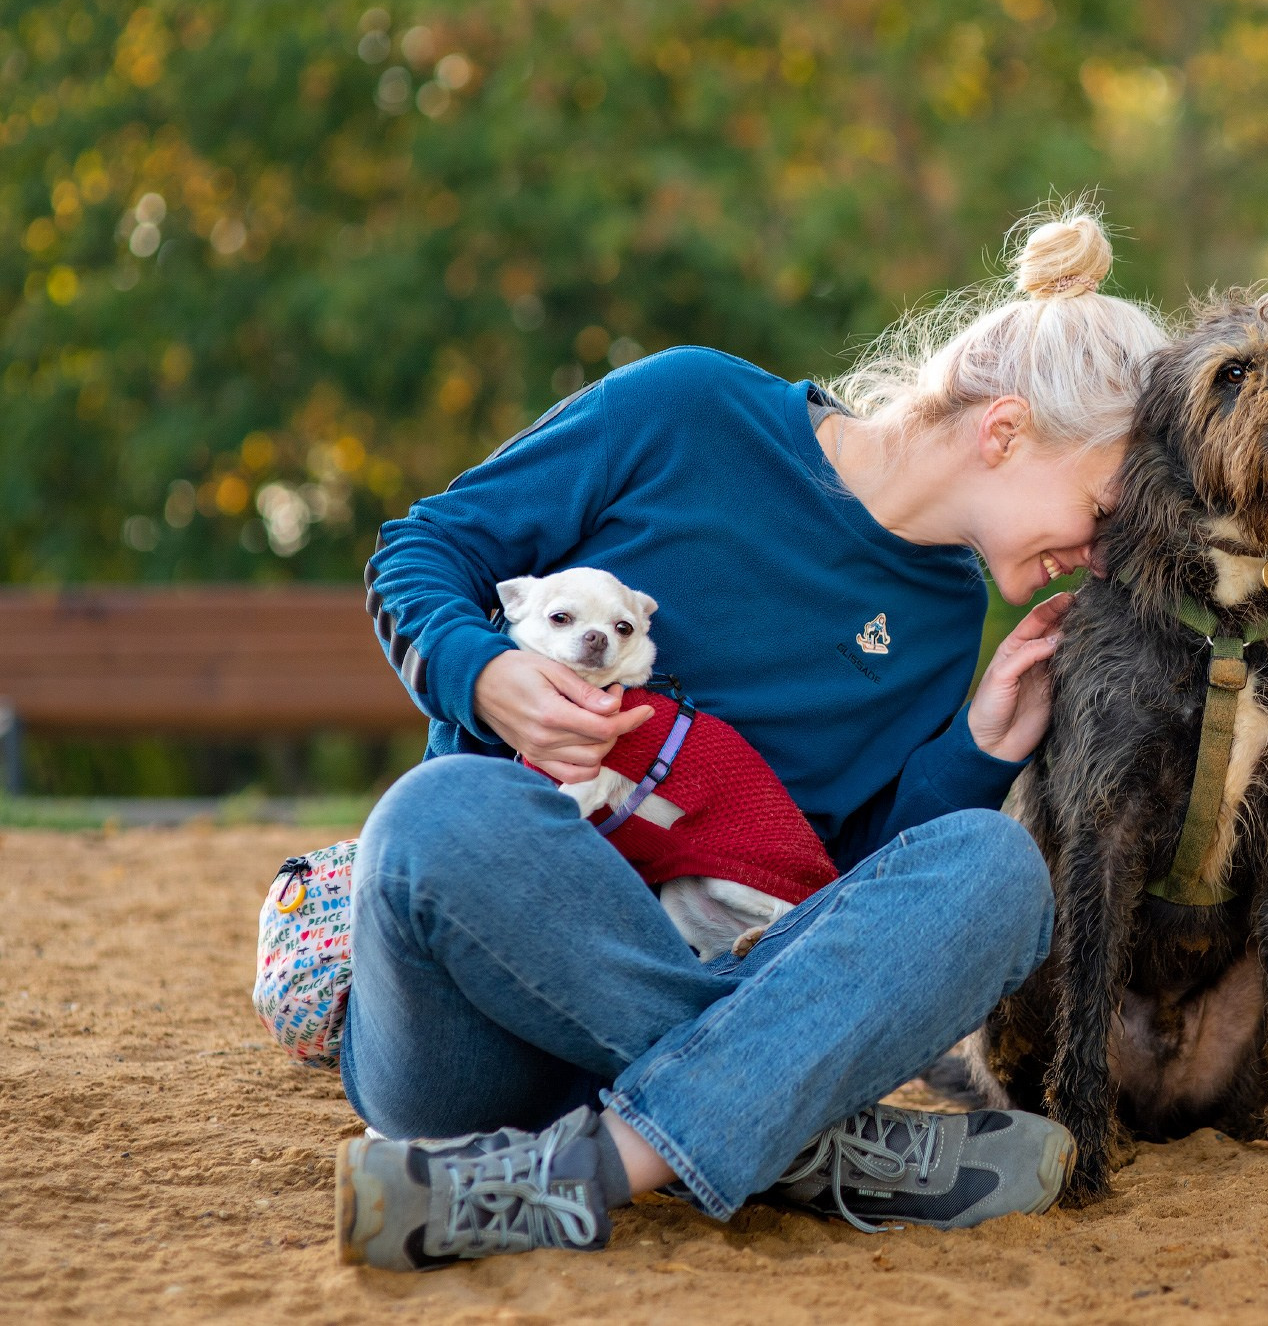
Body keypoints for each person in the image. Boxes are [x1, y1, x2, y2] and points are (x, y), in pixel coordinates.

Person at [334, 203, 1171, 1270]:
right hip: (474, 1048)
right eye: (1106, 513)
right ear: (1003, 432)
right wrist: (484, 673)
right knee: (437, 815)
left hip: (692, 1009)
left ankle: (581, 1175)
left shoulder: (943, 617)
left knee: (996, 870)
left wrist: (975, 751)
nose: (1102, 559)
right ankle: (799, 1138)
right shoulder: (688, 406)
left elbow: (830, 899)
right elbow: (423, 549)